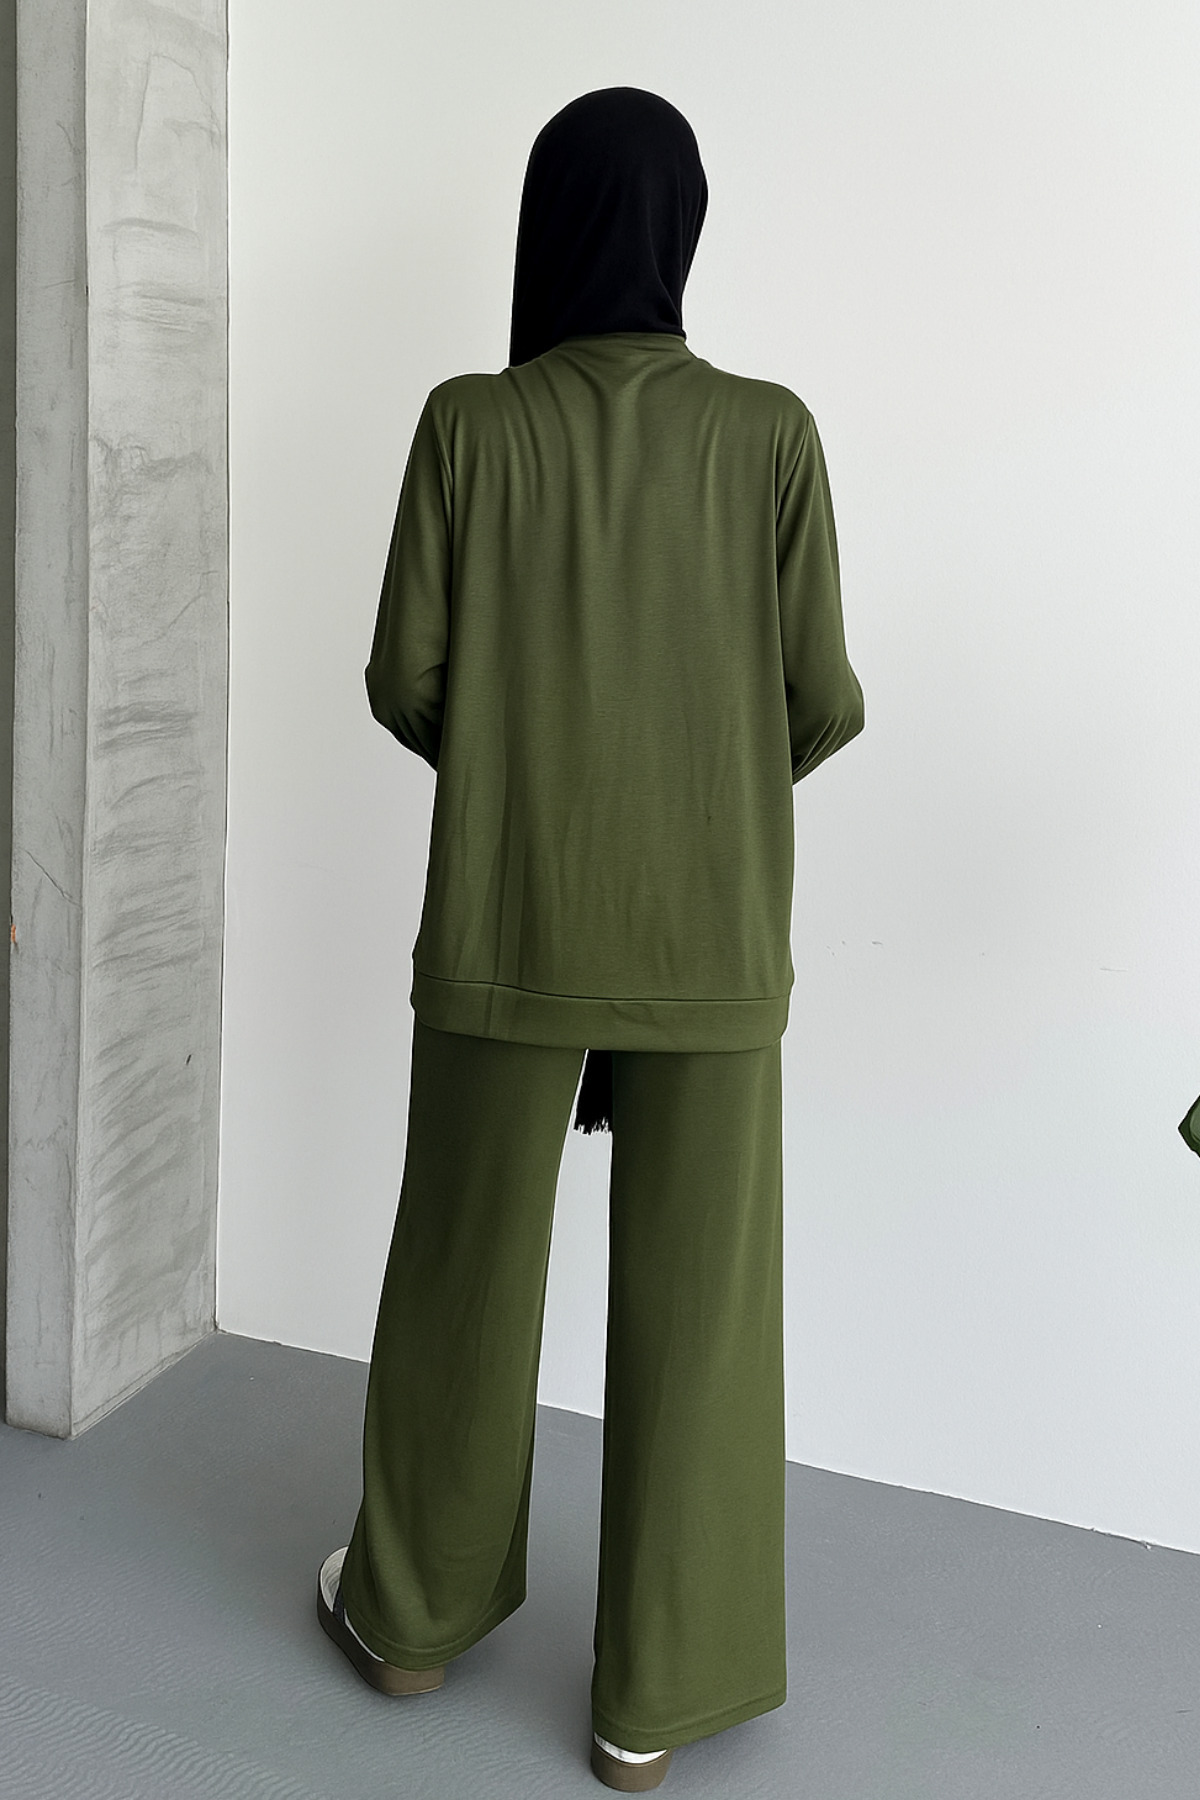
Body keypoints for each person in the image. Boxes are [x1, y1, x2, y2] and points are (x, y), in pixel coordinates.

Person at [315, 85, 864, 1792]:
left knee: (461, 1274)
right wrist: (699, 789)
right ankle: (654, 1706)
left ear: (547, 224)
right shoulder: (772, 434)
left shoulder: (469, 426)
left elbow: (405, 677)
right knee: (705, 1318)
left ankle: (409, 1623)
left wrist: (517, 762)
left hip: (509, 914)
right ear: (682, 231)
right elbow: (823, 700)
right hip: (711, 941)